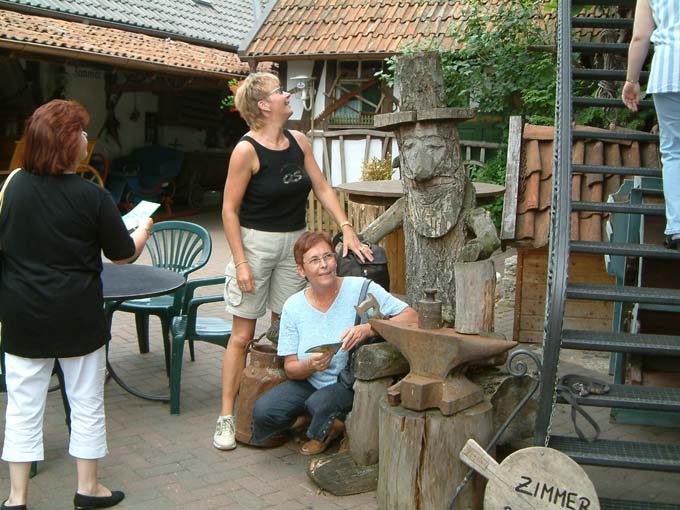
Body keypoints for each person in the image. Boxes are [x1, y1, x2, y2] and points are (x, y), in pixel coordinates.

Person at [0, 100, 153, 510]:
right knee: (86, 401)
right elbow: (123, 254)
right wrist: (143, 229)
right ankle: (88, 488)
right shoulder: (92, 196)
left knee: (22, 406)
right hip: (77, 314)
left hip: (22, 314)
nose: (87, 138)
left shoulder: (13, 186)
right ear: (67, 143)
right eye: (81, 132)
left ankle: (16, 498)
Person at [216, 72, 373, 450]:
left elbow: (322, 187)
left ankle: (279, 412)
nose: (287, 95)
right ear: (264, 105)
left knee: (283, 330)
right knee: (242, 335)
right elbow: (229, 210)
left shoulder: (299, 141)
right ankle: (227, 416)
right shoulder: (246, 150)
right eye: (279, 91)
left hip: (294, 246)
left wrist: (347, 228)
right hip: (255, 245)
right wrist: (241, 262)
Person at [250, 232, 418, 455]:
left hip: (347, 383)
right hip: (310, 381)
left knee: (320, 403)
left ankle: (327, 428)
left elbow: (411, 316)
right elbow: (291, 368)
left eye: (328, 256)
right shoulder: (293, 306)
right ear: (301, 270)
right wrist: (310, 365)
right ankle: (321, 420)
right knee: (264, 411)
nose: (324, 265)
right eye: (314, 260)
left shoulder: (361, 289)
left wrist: (370, 328)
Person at [622, 0, 680, 248]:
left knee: (674, 151)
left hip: (668, 73)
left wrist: (631, 80)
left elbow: (640, 37)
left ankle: (677, 227)